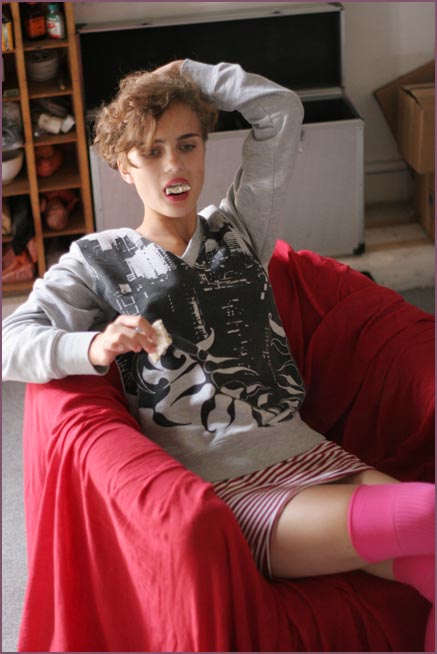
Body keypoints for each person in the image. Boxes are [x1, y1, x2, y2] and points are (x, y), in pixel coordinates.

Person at [2, 59, 434, 649]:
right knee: (428, 515)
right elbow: (11, 340)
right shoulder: (95, 259)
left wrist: (190, 73)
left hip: (312, 454)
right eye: (151, 152)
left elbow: (281, 111)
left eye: (188, 145)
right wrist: (93, 346)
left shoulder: (238, 227)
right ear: (124, 165)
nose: (174, 167)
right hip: (237, 492)